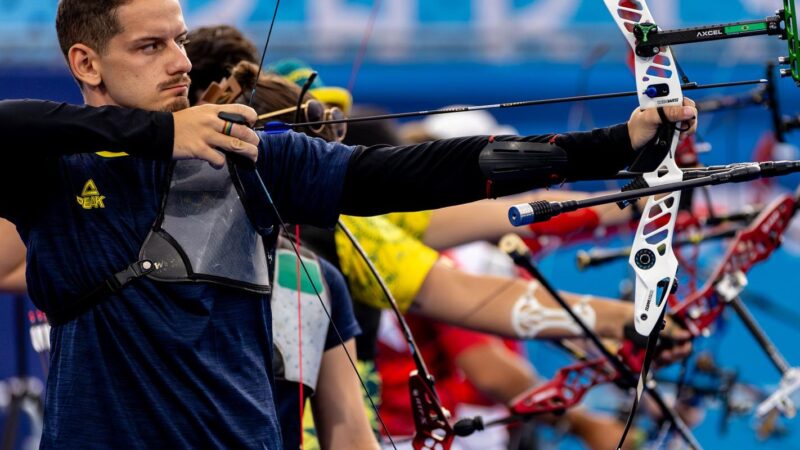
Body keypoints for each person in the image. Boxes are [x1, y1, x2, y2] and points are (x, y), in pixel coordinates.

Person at [7, 2, 696, 449]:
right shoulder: (53, 174)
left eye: (181, 42)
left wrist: (613, 147)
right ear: (86, 64)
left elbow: (414, 174)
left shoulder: (253, 157)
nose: (180, 62)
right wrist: (157, 136)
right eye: (151, 46)